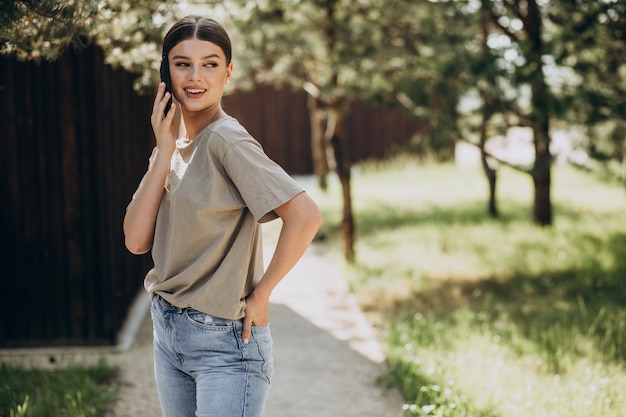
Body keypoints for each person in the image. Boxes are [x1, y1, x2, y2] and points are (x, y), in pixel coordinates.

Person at [123, 15, 323, 417]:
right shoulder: (173, 145)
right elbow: (136, 240)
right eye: (182, 63)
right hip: (169, 332)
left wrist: (262, 294)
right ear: (166, 70)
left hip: (224, 344)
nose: (195, 76)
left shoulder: (226, 140)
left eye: (210, 64)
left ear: (227, 72)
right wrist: (162, 150)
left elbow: (305, 214)